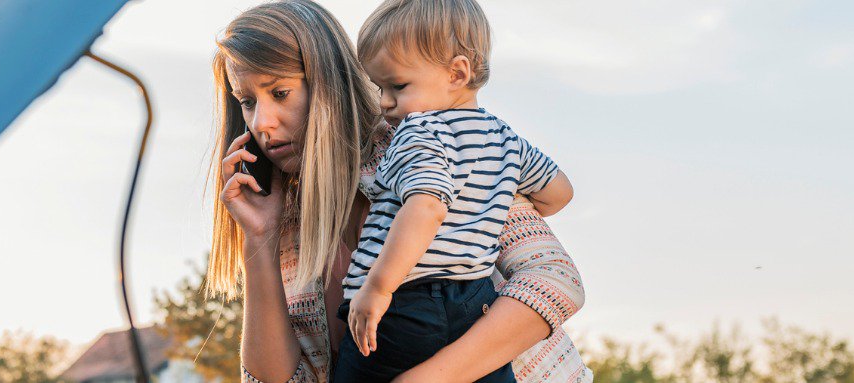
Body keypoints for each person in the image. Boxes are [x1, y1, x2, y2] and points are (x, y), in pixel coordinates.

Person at [206, 1, 591, 382]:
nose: (262, 122)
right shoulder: (286, 219)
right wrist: (260, 237)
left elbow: (554, 278)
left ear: (327, 81)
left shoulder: (428, 139)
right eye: (247, 101)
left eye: (279, 93)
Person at [336, 0, 573, 380]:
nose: (384, 102)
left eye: (397, 86)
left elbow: (426, 207)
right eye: (379, 87)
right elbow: (559, 193)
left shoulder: (418, 131)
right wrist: (488, 203)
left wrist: (377, 288)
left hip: (401, 305)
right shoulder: (506, 139)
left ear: (457, 73)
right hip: (475, 302)